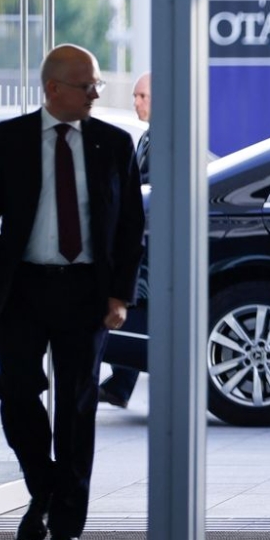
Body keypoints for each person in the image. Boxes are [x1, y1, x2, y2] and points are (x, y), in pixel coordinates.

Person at [0, 44, 146, 540]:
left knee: (77, 405)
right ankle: (44, 488)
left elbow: (131, 226)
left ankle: (66, 525)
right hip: (20, 289)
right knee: (16, 394)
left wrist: (119, 295)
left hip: (87, 291)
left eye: (97, 84)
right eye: (86, 85)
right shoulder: (7, 141)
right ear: (53, 89)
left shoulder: (113, 143)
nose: (95, 93)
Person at [98, 71, 150, 408]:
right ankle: (120, 384)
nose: (136, 103)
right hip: (143, 242)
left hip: (150, 245)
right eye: (135, 96)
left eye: (142, 96)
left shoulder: (168, 138)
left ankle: (120, 383)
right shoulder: (147, 137)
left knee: (135, 308)